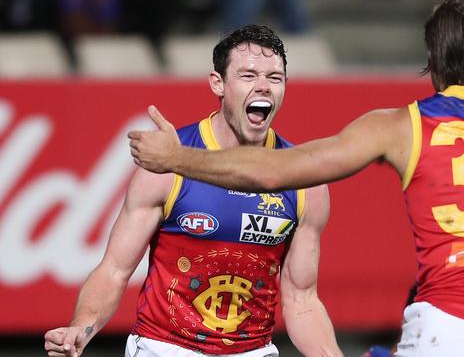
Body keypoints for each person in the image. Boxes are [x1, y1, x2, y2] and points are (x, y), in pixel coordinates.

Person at [128, 0, 464, 356]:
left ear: (434, 59)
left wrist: (177, 159)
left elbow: (274, 172)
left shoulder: (403, 126)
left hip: (449, 328)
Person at [44, 25, 342, 357]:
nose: (264, 87)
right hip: (164, 349)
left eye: (275, 78)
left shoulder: (303, 180)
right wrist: (81, 328)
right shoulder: (168, 166)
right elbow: (114, 270)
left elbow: (302, 299)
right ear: (218, 83)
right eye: (248, 75)